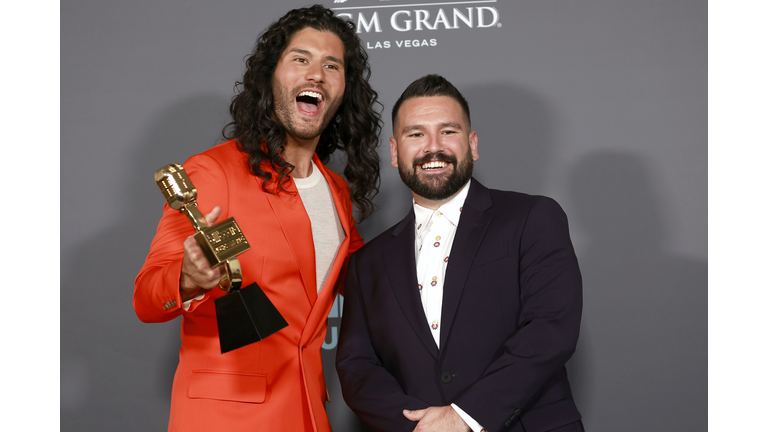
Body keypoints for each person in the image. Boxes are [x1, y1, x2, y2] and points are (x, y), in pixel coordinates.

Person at [134, 5, 382, 432]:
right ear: (271, 76)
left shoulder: (337, 193)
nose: (316, 74)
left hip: (309, 414)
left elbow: (371, 291)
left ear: (344, 89)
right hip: (225, 418)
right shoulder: (214, 173)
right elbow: (146, 297)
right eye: (300, 59)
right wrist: (188, 278)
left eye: (331, 65)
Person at [336, 75, 584, 432]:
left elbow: (550, 330)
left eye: (448, 132)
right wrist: (418, 427)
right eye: (416, 134)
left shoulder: (532, 217)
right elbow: (357, 366)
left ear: (473, 144)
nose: (432, 147)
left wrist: (463, 416)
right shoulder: (366, 262)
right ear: (394, 151)